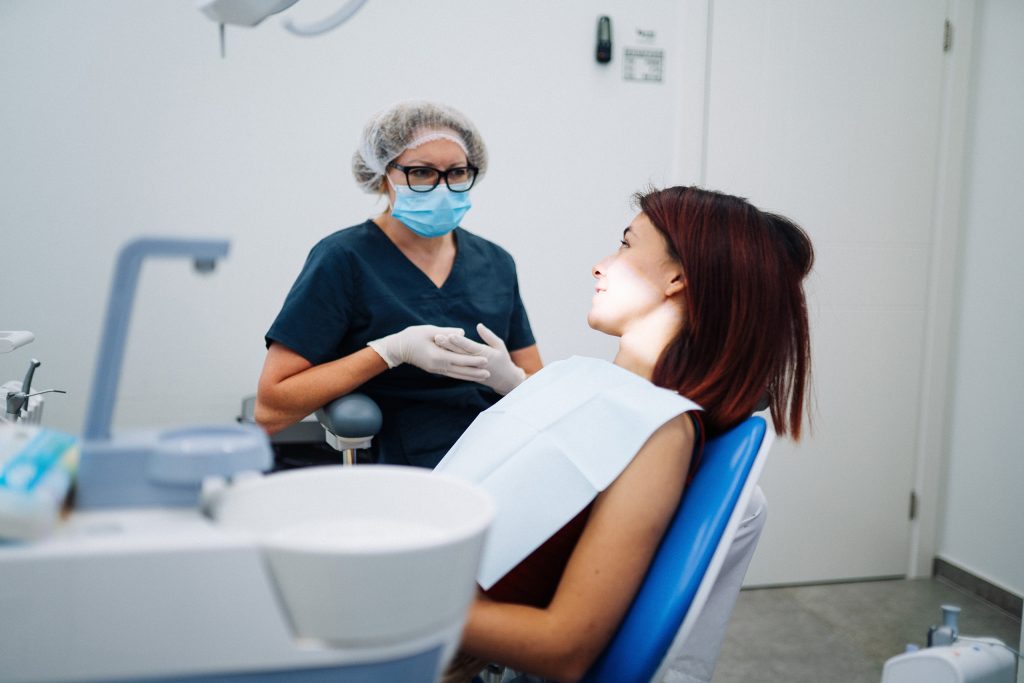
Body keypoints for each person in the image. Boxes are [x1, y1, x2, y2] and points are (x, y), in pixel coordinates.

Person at [437, 185, 813, 682]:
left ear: (678, 277)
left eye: (626, 244)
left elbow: (564, 647)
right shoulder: (592, 384)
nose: (600, 266)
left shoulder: (661, 432)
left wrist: (386, 598)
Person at [255, 101, 542, 468]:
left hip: (501, 451)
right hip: (403, 463)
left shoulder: (496, 262)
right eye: (421, 172)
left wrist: (512, 380)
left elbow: (539, 385)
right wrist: (389, 352)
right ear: (382, 176)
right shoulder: (343, 259)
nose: (442, 187)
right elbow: (271, 408)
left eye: (457, 172)